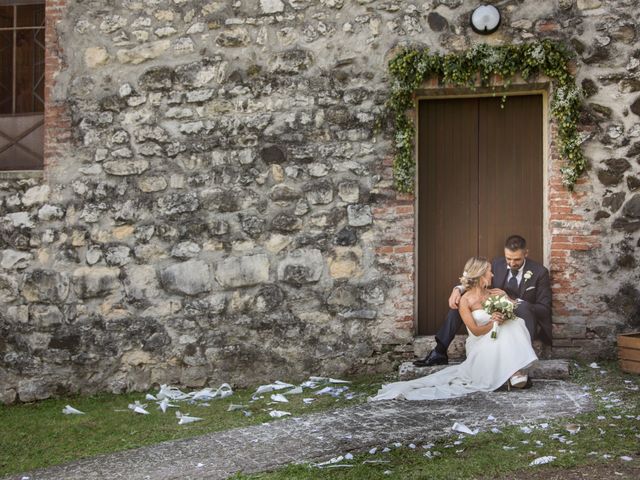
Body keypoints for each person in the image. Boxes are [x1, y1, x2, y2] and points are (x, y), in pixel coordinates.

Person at [371, 257, 537, 401]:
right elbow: (476, 331)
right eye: (489, 272)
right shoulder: (465, 301)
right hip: (480, 342)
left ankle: (515, 372)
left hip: (498, 337)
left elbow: (511, 312)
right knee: (506, 330)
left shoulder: (496, 293)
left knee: (515, 323)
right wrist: (493, 323)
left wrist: (505, 312)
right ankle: (514, 373)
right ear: (480, 275)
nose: (493, 275)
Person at [414, 235, 552, 368]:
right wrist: (458, 289)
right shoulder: (497, 264)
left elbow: (544, 309)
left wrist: (513, 301)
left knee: (524, 307)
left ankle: (523, 356)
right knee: (460, 305)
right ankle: (439, 351)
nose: (511, 263)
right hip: (496, 310)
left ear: (526, 253)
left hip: (522, 316)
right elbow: (477, 278)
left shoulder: (540, 272)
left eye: (516, 259)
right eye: (508, 258)